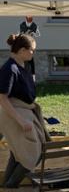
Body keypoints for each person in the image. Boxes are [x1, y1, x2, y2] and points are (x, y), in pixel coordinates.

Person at [0, 34, 50, 188]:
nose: (33, 53)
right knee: (34, 153)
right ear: (22, 50)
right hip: (14, 115)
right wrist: (20, 121)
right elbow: (2, 98)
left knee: (18, 154)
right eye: (32, 50)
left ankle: (7, 185)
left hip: (25, 112)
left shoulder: (22, 67)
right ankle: (11, 185)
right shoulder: (10, 68)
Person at [19, 16, 40, 81]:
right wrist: (25, 34)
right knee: (24, 60)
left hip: (31, 45)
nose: (30, 19)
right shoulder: (22, 25)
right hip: (24, 45)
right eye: (28, 17)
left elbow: (38, 34)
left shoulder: (34, 25)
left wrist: (34, 33)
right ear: (26, 18)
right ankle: (23, 76)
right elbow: (20, 34)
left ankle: (33, 76)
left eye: (31, 17)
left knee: (31, 60)